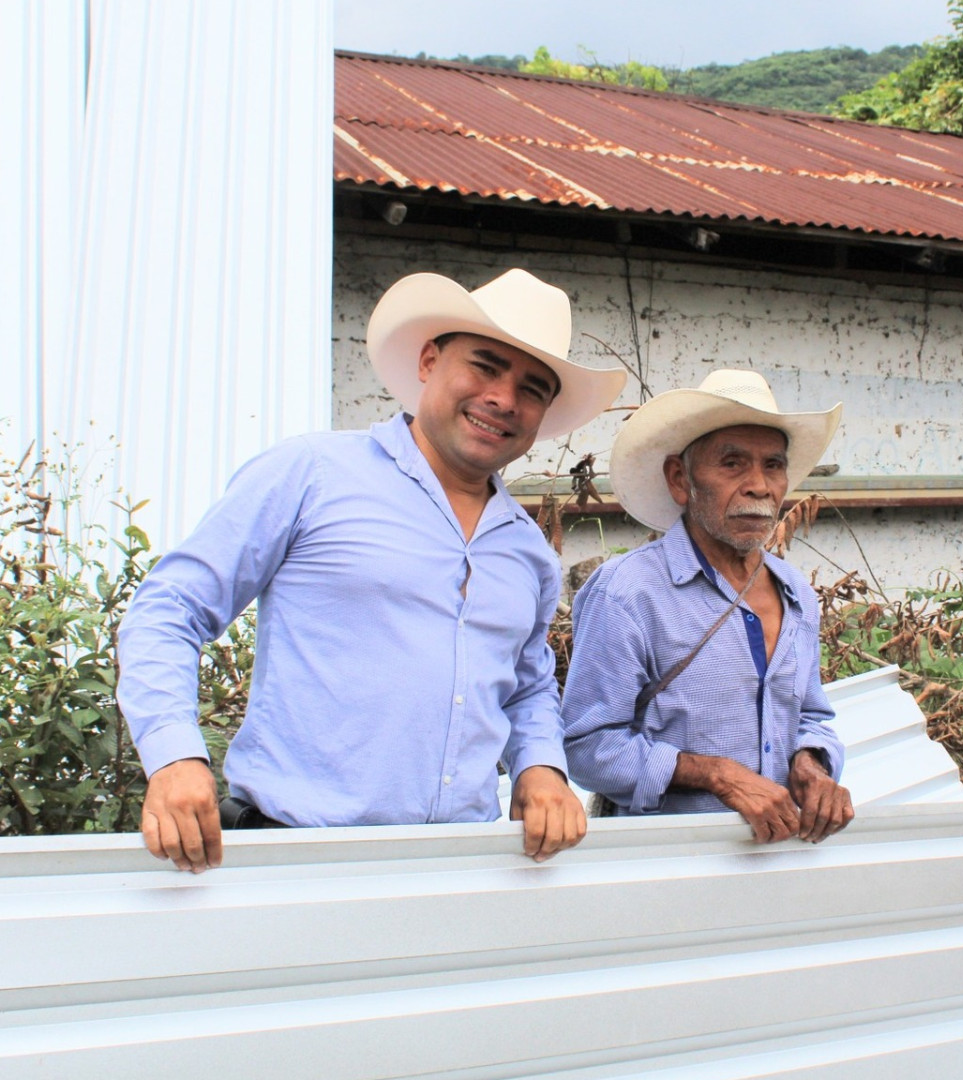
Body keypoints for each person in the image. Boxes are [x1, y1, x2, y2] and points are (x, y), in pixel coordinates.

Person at [117, 269, 626, 871]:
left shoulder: (525, 548)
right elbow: (169, 609)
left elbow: (527, 683)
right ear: (429, 360)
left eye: (532, 388)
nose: (504, 399)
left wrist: (540, 767)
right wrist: (175, 757)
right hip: (297, 860)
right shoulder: (311, 474)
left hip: (460, 865)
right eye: (485, 366)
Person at [561, 370, 854, 843]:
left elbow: (812, 717)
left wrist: (812, 764)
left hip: (782, 856)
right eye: (732, 464)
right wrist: (715, 774)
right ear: (681, 480)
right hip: (670, 861)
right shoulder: (628, 593)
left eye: (773, 466)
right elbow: (587, 747)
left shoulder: (796, 592)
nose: (759, 486)